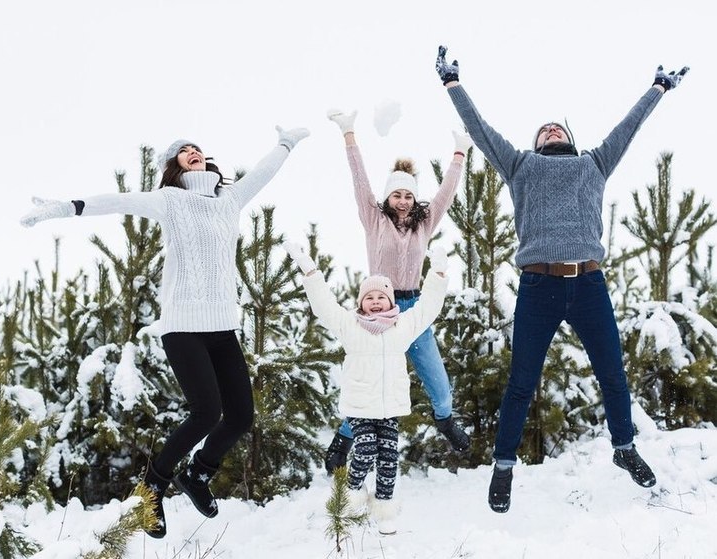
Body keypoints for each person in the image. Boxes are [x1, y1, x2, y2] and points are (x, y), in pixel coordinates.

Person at [20, 125, 309, 537]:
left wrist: (286, 143)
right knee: (207, 413)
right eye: (183, 151)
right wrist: (65, 207)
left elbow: (262, 174)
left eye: (197, 148)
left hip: (223, 327)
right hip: (183, 327)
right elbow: (116, 201)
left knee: (241, 417)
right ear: (173, 166)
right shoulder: (170, 201)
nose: (193, 152)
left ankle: (197, 475)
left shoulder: (229, 199)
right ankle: (151, 489)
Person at [435, 45, 689, 513]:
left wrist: (657, 89)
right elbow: (479, 129)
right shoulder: (520, 167)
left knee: (612, 374)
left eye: (558, 127)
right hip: (539, 288)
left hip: (590, 287)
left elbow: (627, 129)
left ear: (569, 139)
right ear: (536, 144)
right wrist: (452, 83)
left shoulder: (594, 163)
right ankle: (504, 465)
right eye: (544, 129)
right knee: (521, 382)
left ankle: (624, 448)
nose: (551, 129)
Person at [323, 108, 473, 473]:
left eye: (409, 195)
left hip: (414, 309)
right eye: (397, 195)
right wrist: (348, 134)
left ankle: (445, 421)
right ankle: (343, 439)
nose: (403, 201)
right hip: (377, 313)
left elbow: (446, 194)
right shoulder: (373, 220)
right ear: (388, 198)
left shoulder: (425, 225)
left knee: (438, 382)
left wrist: (460, 154)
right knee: (370, 386)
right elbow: (359, 180)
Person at [283, 240, 449, 535]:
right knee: (366, 450)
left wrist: (437, 272)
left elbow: (428, 309)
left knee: (388, 458)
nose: (375, 301)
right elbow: (323, 305)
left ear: (391, 302)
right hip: (360, 405)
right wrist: (309, 270)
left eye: (381, 297)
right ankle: (352, 492)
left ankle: (385, 510)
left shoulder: (403, 326)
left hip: (390, 407)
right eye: (369, 297)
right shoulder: (350, 324)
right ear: (361, 302)